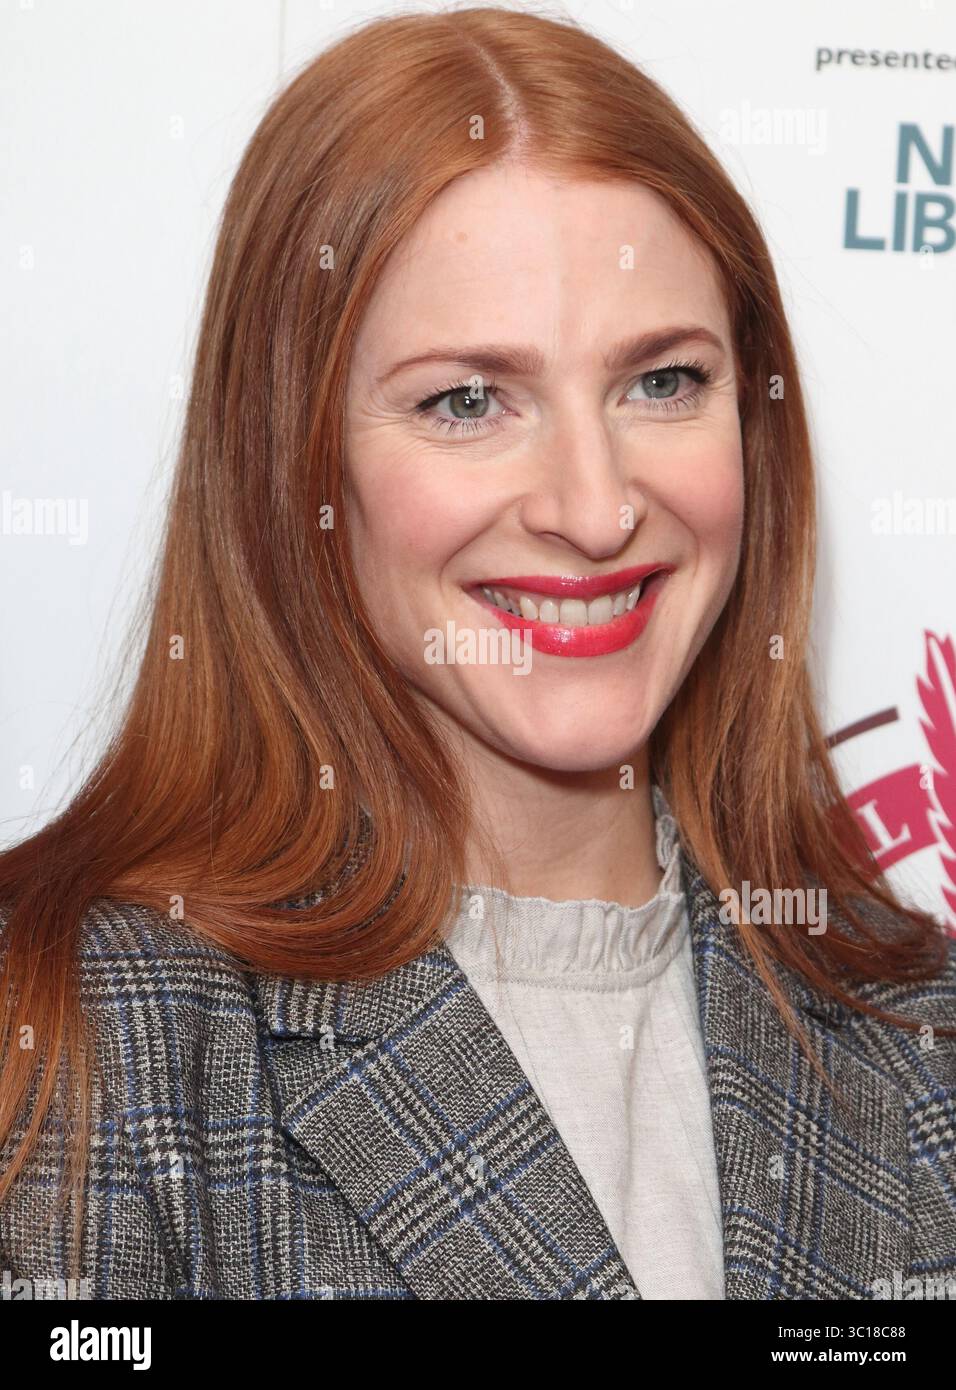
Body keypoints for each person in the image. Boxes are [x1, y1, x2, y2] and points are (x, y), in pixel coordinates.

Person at [1, 6, 953, 1302]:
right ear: (295, 463)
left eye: (661, 381)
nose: (594, 503)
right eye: (467, 400)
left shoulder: (924, 1032)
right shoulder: (76, 1040)